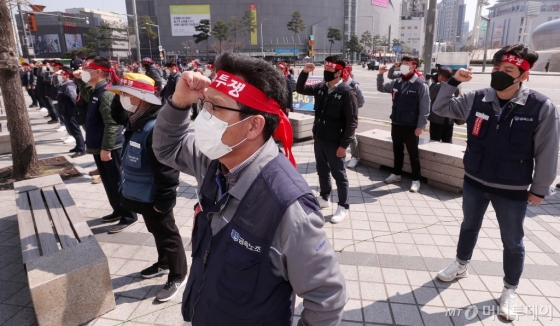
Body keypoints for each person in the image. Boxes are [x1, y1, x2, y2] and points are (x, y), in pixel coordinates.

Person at [152, 52, 347, 325]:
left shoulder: (288, 207)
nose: (205, 116)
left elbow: (327, 298)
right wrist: (180, 102)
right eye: (205, 105)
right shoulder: (214, 160)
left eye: (215, 108)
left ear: (254, 125)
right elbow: (166, 148)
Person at [432, 44, 559, 321]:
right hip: (475, 180)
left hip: (512, 188)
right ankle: (461, 264)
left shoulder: (540, 106)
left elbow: (548, 151)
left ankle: (509, 289)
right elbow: (441, 108)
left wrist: (539, 189)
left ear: (523, 75)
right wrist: (453, 81)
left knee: (513, 242)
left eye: (508, 70)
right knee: (469, 226)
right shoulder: (478, 98)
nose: (499, 74)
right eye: (497, 68)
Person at [107, 73, 186, 302]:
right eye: (122, 95)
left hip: (155, 197)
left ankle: (178, 275)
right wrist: (120, 89)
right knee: (155, 231)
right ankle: (163, 264)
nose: (123, 99)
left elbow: (168, 170)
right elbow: (116, 114)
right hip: (142, 194)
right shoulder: (136, 116)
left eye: (127, 95)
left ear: (142, 99)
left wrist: (163, 201)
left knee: (168, 235)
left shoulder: (155, 125)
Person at [74, 56, 138, 232]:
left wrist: (106, 148)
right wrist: (80, 81)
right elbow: (86, 97)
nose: (84, 72)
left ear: (99, 72)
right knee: (109, 183)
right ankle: (118, 210)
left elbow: (112, 124)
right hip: (99, 145)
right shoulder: (97, 90)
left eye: (87, 70)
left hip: (109, 147)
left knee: (117, 181)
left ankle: (129, 215)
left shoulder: (107, 93)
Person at [296, 56, 358, 223]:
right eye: (326, 70)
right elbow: (300, 89)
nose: (327, 73)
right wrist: (304, 72)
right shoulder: (321, 87)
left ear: (339, 72)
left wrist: (344, 145)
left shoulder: (347, 92)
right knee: (322, 171)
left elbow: (352, 122)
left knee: (340, 175)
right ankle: (324, 197)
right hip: (320, 138)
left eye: (330, 71)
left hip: (336, 142)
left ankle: (343, 206)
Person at [377, 55, 430, 193]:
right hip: (396, 123)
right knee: (397, 150)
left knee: (413, 154)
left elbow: (425, 108)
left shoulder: (420, 85)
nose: (403, 66)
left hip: (411, 126)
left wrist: (420, 126)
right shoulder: (397, 82)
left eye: (407, 63)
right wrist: (380, 75)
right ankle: (396, 174)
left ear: (414, 66)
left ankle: (416, 180)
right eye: (402, 63)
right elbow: (381, 88)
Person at [57, 67, 86, 157]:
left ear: (67, 75)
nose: (60, 76)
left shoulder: (69, 86)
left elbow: (75, 99)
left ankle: (81, 148)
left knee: (75, 130)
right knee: (72, 130)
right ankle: (78, 146)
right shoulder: (64, 85)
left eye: (62, 74)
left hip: (71, 112)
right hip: (66, 111)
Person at [428, 67, 460, 143]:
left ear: (441, 76)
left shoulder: (437, 87)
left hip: (436, 119)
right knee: (447, 141)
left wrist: (433, 83)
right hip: (449, 119)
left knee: (434, 141)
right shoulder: (456, 87)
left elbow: (429, 96)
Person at [343, 62, 365, 169]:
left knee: (351, 135)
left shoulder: (354, 85)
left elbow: (361, 100)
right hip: (337, 115)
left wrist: (353, 109)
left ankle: (355, 157)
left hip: (350, 115)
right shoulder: (336, 82)